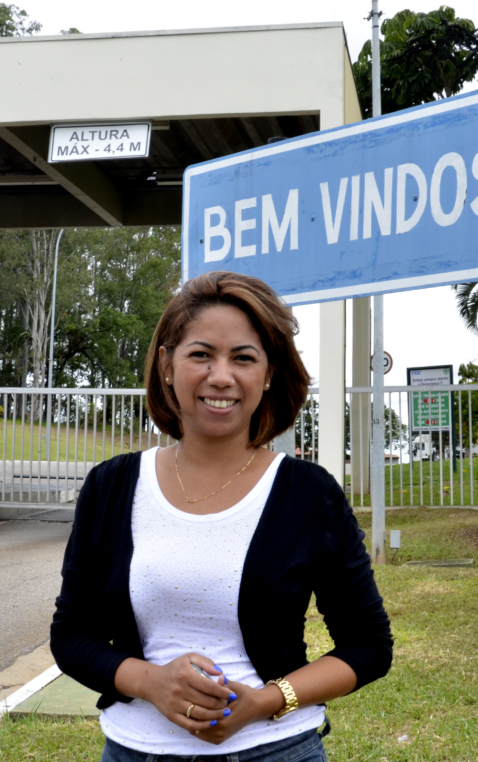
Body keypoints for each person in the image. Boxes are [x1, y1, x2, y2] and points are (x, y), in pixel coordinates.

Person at [51, 271, 392, 761]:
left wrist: (266, 702)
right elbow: (71, 635)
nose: (221, 376)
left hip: (274, 752)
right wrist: (152, 683)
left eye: (243, 358)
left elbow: (368, 645)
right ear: (167, 365)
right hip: (134, 752)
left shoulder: (309, 494)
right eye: (201, 354)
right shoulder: (112, 486)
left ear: (269, 373)